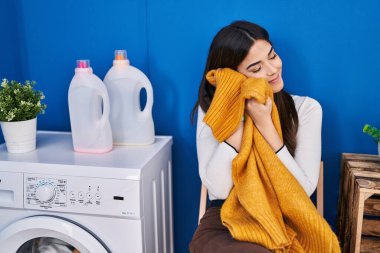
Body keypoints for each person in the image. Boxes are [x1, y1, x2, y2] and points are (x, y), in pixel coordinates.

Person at [189, 20, 322, 253]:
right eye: (255, 68)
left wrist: (265, 125)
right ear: (232, 75)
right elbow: (218, 190)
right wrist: (239, 122)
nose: (272, 69)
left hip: (286, 217)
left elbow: (302, 192)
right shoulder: (211, 110)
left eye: (272, 55)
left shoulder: (306, 109)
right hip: (226, 220)